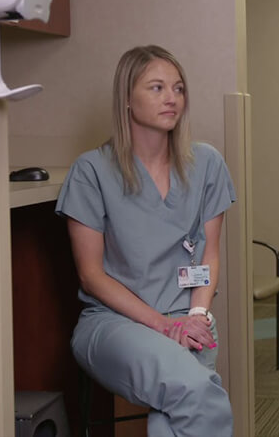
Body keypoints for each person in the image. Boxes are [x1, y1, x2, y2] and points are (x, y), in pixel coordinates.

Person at [56, 45, 236, 436]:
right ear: (126, 99)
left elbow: (209, 254)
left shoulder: (206, 164)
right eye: (156, 88)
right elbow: (91, 276)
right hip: (115, 324)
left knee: (175, 411)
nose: (172, 98)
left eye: (179, 88)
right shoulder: (92, 171)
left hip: (190, 320)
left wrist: (197, 317)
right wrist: (163, 326)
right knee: (195, 393)